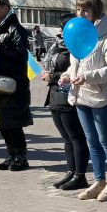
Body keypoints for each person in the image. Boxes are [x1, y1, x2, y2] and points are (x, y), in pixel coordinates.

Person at [62, 0, 107, 202]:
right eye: (78, 9)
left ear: (95, 13)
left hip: (101, 98)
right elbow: (76, 64)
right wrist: (66, 75)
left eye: (86, 10)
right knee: (92, 141)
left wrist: (88, 77)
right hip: (81, 96)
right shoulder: (78, 35)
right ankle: (99, 181)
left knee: (106, 141)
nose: (81, 14)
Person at [40, 13, 89, 191]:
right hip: (55, 95)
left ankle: (80, 175)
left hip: (68, 97)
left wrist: (52, 76)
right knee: (67, 138)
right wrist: (47, 74)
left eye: (63, 27)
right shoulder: (57, 45)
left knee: (76, 137)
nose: (59, 31)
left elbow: (76, 72)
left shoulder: (78, 48)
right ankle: (70, 172)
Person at [0, 0, 33, 171]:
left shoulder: (15, 28)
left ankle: (21, 157)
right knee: (2, 122)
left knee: (13, 123)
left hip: (13, 84)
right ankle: (11, 155)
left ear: (5, 8)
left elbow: (22, 54)